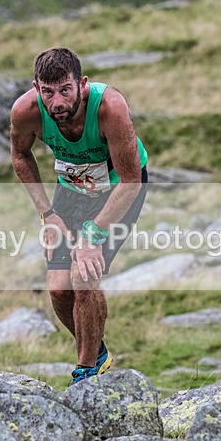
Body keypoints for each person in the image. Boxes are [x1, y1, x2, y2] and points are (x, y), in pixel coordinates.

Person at [10, 47, 149, 385]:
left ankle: (86, 373)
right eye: (48, 92)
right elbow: (20, 155)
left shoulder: (110, 108)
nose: (56, 102)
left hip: (118, 191)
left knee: (84, 276)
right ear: (36, 87)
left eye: (65, 90)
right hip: (71, 189)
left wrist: (92, 237)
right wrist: (48, 214)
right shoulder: (26, 111)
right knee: (59, 291)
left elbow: (131, 181)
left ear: (82, 84)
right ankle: (96, 351)